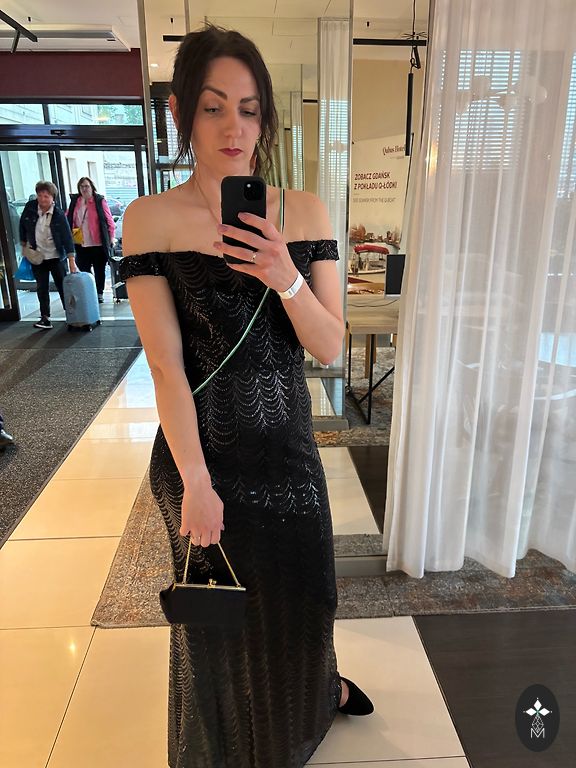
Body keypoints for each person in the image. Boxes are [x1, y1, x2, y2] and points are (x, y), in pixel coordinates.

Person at [120, 25, 373, 768]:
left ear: (266, 119)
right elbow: (166, 365)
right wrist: (196, 482)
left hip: (288, 454)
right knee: (219, 626)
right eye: (213, 107)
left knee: (303, 604)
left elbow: (330, 347)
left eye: (250, 108)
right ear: (180, 114)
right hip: (203, 460)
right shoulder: (150, 220)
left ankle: (310, 704)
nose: (234, 127)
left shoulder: (305, 212)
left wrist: (283, 273)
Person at [19, 181, 77, 330]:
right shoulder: (30, 208)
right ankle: (45, 318)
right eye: (40, 195)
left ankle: (72, 316)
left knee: (63, 286)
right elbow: (22, 225)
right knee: (42, 287)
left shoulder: (58, 214)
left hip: (55, 256)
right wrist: (23, 243)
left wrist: (71, 260)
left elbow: (67, 238)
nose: (42, 199)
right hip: (38, 256)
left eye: (46, 196)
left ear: (52, 198)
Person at [66, 177, 116, 303]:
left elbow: (109, 220)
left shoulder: (99, 201)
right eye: (82, 186)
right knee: (84, 269)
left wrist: (111, 237)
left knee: (99, 269)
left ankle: (99, 293)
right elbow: (68, 218)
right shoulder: (75, 202)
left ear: (92, 187)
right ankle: (89, 291)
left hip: (98, 242)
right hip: (81, 242)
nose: (84, 189)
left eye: (87, 186)